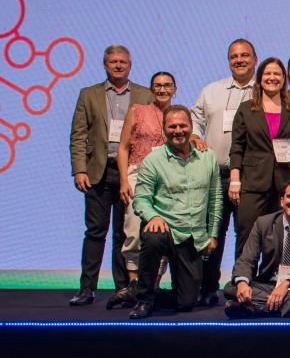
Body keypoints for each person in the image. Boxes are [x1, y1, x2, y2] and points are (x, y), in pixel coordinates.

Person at [68, 44, 153, 306]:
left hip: (132, 172)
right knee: (95, 231)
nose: (118, 65)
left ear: (130, 65)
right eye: (113, 62)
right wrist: (79, 169)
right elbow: (78, 134)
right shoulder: (88, 94)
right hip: (98, 172)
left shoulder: (145, 94)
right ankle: (87, 288)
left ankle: (123, 288)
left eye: (123, 62)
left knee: (123, 233)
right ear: (105, 65)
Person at [130, 105, 222, 319]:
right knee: (153, 237)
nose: (178, 131)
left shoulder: (208, 157)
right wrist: (153, 216)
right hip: (165, 228)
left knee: (186, 302)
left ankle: (134, 292)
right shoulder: (153, 160)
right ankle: (143, 300)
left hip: (191, 236)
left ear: (191, 127)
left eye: (183, 125)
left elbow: (216, 198)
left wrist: (212, 234)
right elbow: (141, 199)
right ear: (164, 129)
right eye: (172, 127)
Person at [190, 37, 257, 304]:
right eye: (234, 56)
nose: (239, 60)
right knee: (212, 232)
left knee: (246, 234)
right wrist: (195, 136)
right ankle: (207, 288)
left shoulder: (263, 91)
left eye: (244, 55)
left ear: (255, 59)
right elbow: (194, 119)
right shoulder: (211, 90)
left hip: (248, 176)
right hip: (215, 173)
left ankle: (239, 287)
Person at [228, 57, 290, 255]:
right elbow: (237, 147)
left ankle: (277, 274)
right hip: (253, 182)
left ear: (284, 78)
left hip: (285, 182)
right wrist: (235, 180)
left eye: (277, 74)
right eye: (268, 74)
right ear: (260, 78)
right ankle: (243, 273)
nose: (272, 78)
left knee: (282, 238)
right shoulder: (246, 109)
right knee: (247, 233)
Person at [112, 71, 176, 309]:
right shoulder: (137, 110)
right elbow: (123, 148)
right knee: (133, 228)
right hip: (137, 175)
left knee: (160, 231)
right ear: (151, 89)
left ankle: (153, 285)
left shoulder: (177, 114)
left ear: (174, 89)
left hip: (168, 178)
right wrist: (123, 180)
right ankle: (134, 284)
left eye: (167, 85)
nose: (162, 89)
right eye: (158, 85)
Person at [224, 179, 290, 318]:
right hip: (269, 284)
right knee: (231, 286)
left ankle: (260, 308)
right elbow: (247, 259)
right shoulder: (263, 223)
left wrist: (287, 283)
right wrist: (242, 283)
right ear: (282, 201)